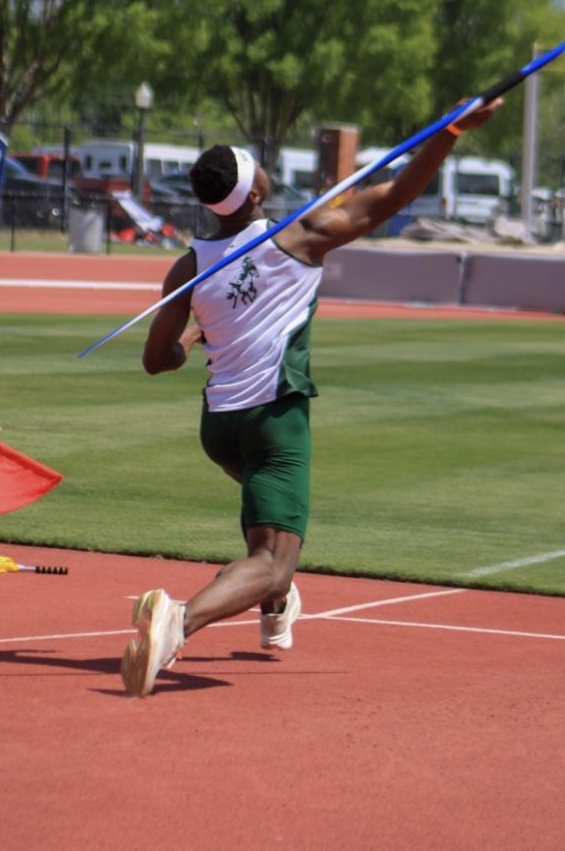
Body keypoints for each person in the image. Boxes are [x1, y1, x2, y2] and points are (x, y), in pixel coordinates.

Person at [120, 98, 503, 696]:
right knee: (275, 560)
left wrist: (194, 335)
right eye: (259, 170)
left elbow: (155, 362)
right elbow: (397, 197)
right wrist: (449, 132)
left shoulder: (188, 268)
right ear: (252, 194)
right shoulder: (300, 235)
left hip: (219, 429)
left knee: (267, 539)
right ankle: (179, 621)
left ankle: (273, 606)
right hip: (275, 418)